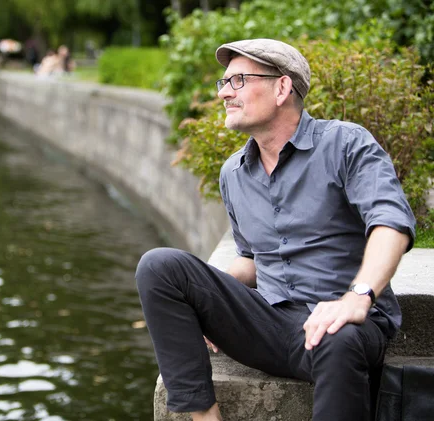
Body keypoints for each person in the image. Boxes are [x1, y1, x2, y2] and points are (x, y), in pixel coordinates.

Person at [135, 38, 416, 421]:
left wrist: (357, 297)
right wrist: (209, 299)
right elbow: (252, 259)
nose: (224, 94)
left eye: (238, 81)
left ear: (282, 88)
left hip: (342, 325)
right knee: (159, 266)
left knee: (337, 336)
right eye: (224, 83)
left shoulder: (345, 143)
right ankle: (204, 417)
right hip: (269, 323)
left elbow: (391, 223)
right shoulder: (233, 173)